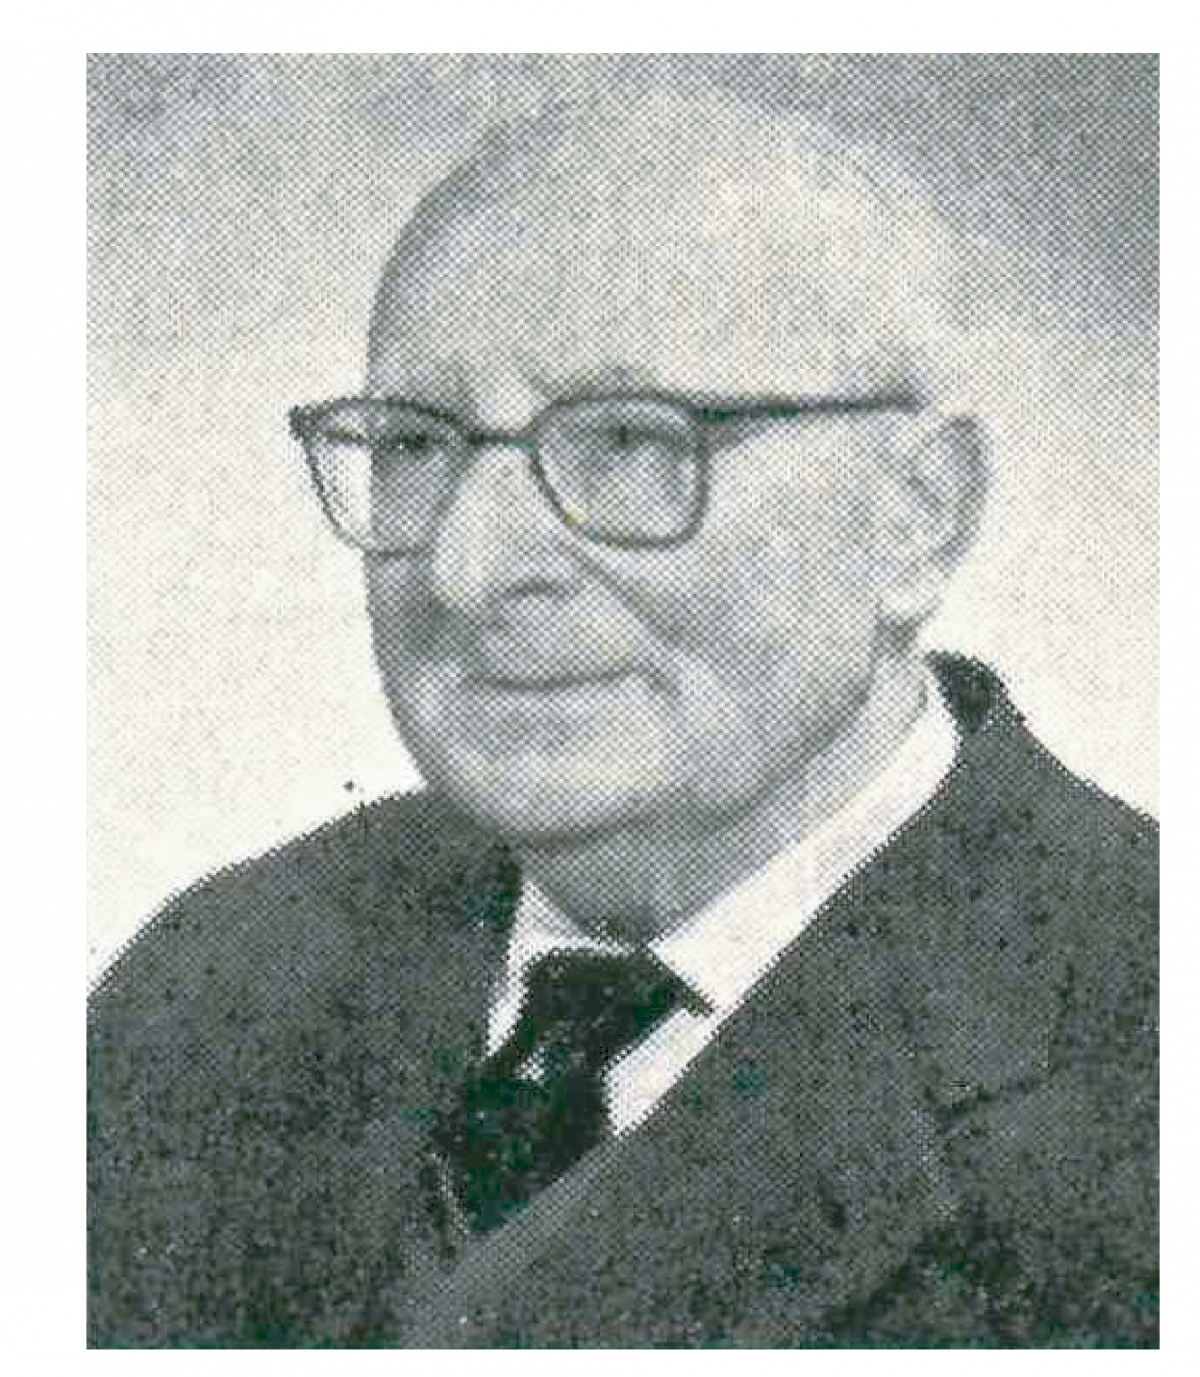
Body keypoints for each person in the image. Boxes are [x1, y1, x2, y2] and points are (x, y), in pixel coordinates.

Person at [86, 91, 1160, 1350]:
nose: (468, 569)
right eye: (417, 448)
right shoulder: (217, 981)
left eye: (631, 445)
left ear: (918, 514)